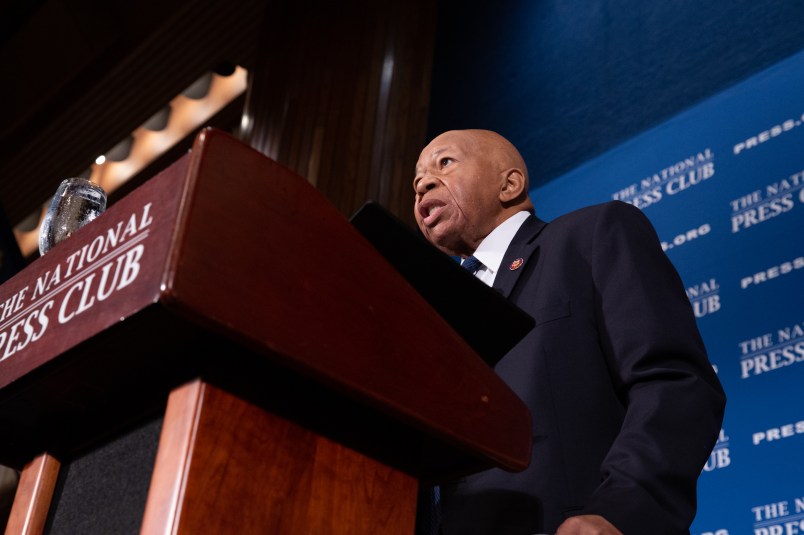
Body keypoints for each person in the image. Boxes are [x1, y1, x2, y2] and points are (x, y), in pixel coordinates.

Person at [413, 129, 726, 535]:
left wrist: (619, 512)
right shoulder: (430, 315)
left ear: (510, 184)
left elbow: (674, 382)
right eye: (417, 179)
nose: (423, 183)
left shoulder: (592, 235)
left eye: (445, 163)